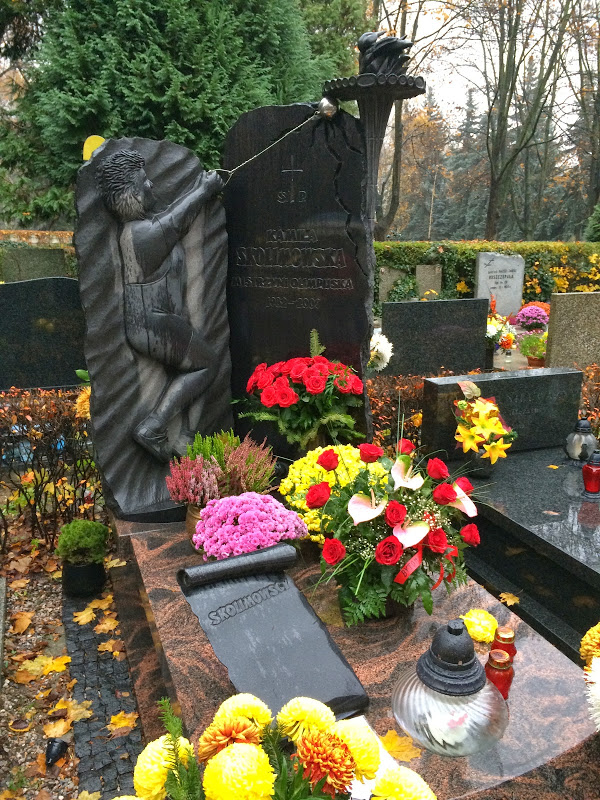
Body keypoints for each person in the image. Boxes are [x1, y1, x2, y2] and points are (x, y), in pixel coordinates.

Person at [97, 149, 224, 461]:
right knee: (207, 364)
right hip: (153, 323)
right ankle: (154, 427)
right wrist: (203, 190)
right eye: (144, 181)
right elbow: (175, 222)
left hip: (156, 321)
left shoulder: (142, 227)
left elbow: (172, 221)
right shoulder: (138, 234)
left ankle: (184, 440)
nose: (151, 185)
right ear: (131, 193)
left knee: (193, 368)